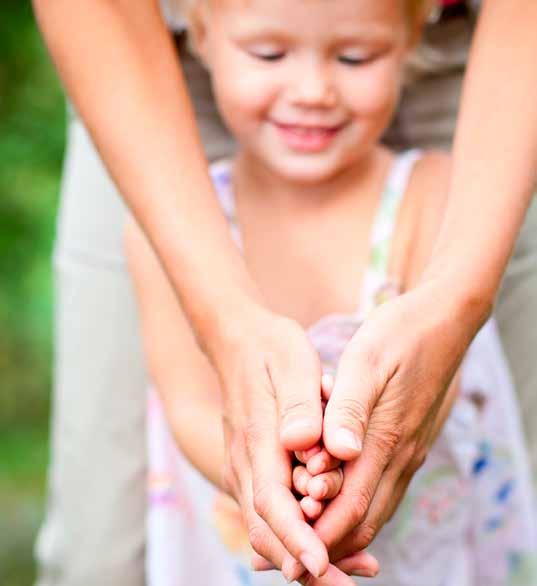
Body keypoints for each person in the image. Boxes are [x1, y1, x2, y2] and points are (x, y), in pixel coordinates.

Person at [32, 0, 537, 584]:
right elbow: (190, 405)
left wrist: (336, 466)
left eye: (354, 57)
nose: (314, 90)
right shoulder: (150, 241)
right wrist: (288, 490)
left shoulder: (432, 198)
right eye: (271, 55)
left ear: (408, 45)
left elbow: (439, 378)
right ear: (198, 34)